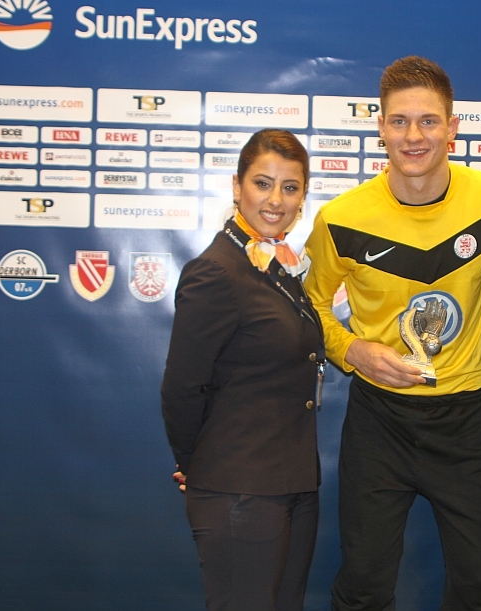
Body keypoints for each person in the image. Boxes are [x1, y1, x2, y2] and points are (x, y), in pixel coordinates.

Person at [303, 55, 481, 610]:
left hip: (467, 422)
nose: (413, 136)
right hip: (379, 421)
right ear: (380, 127)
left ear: (452, 128)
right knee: (364, 586)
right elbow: (309, 307)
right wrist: (354, 350)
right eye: (399, 121)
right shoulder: (340, 218)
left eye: (428, 121)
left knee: (477, 589)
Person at [160, 129, 324, 611]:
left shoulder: (278, 267)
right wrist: (198, 466)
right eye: (262, 183)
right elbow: (182, 387)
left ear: (303, 197)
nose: (276, 200)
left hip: (293, 484)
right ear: (237, 186)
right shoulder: (218, 270)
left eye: (290, 187)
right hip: (238, 490)